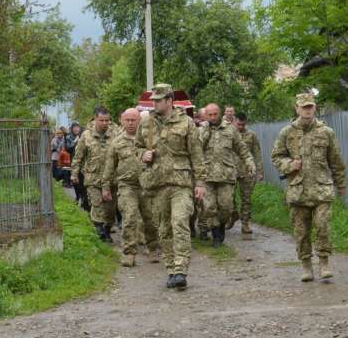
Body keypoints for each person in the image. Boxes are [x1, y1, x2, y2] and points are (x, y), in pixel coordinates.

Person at [270, 92, 347, 283]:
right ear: (297, 109)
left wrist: (341, 184)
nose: (307, 110)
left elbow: (336, 161)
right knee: (301, 231)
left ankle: (324, 262)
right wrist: (289, 165)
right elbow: (276, 156)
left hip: (322, 189)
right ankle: (306, 265)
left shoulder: (326, 132)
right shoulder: (287, 133)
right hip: (298, 190)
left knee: (323, 226)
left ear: (315, 108)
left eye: (310, 106)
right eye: (303, 107)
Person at [137, 83, 207, 290]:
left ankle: (181, 270)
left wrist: (200, 182)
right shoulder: (147, 123)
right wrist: (143, 154)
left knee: (179, 223)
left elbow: (196, 154)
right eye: (154, 100)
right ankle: (170, 269)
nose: (155, 103)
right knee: (164, 228)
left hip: (181, 183)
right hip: (157, 184)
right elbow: (137, 147)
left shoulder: (186, 123)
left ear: (169, 101)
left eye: (159, 100)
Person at [101, 108, 161, 267]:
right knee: (129, 218)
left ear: (139, 121)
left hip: (148, 186)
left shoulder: (150, 140)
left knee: (151, 219)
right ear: (121, 121)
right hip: (127, 185)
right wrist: (105, 186)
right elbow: (109, 166)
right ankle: (129, 253)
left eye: (133, 119)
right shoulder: (117, 142)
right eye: (127, 120)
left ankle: (153, 248)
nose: (130, 123)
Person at [197, 103, 255, 247]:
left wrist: (250, 162)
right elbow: (195, 150)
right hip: (207, 175)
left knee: (226, 207)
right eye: (209, 115)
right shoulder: (202, 130)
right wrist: (206, 132)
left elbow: (242, 148)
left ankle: (222, 224)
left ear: (219, 113)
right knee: (209, 207)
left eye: (215, 114)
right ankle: (216, 234)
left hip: (226, 175)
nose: (212, 117)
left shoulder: (231, 130)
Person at [71, 107, 117, 241]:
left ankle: (107, 230)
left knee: (110, 210)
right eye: (101, 120)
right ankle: (100, 233)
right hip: (93, 178)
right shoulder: (86, 135)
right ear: (95, 119)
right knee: (97, 206)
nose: (104, 123)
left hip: (111, 179)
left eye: (107, 120)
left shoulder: (116, 133)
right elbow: (78, 156)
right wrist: (74, 173)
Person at [233, 111, 264, 237]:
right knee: (228, 197)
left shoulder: (252, 135)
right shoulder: (229, 134)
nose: (240, 127)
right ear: (234, 121)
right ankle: (232, 213)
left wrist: (260, 171)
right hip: (231, 171)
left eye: (243, 125)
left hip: (247, 171)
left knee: (246, 199)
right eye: (239, 124)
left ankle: (245, 224)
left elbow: (257, 153)